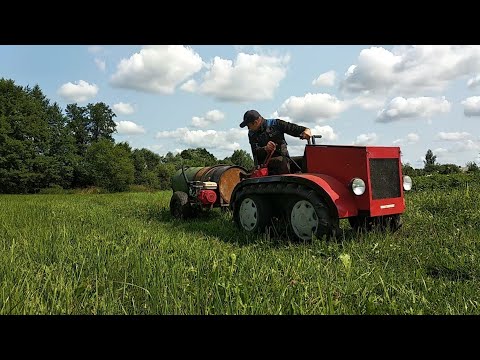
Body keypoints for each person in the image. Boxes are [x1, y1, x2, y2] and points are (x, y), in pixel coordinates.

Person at [239, 109, 312, 175]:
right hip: (265, 167)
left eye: (248, 126)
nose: (248, 128)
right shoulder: (252, 134)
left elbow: (293, 128)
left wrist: (306, 130)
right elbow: (255, 152)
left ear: (256, 122)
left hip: (285, 160)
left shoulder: (276, 123)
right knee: (281, 161)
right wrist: (265, 148)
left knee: (307, 161)